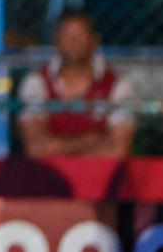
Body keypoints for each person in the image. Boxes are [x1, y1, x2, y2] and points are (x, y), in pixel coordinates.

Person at [17, 9, 135, 159]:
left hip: (101, 177)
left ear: (94, 40)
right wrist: (86, 143)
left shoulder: (117, 85)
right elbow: (36, 149)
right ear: (55, 40)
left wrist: (58, 147)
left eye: (80, 35)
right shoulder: (36, 83)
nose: (73, 42)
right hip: (49, 178)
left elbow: (118, 152)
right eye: (67, 35)